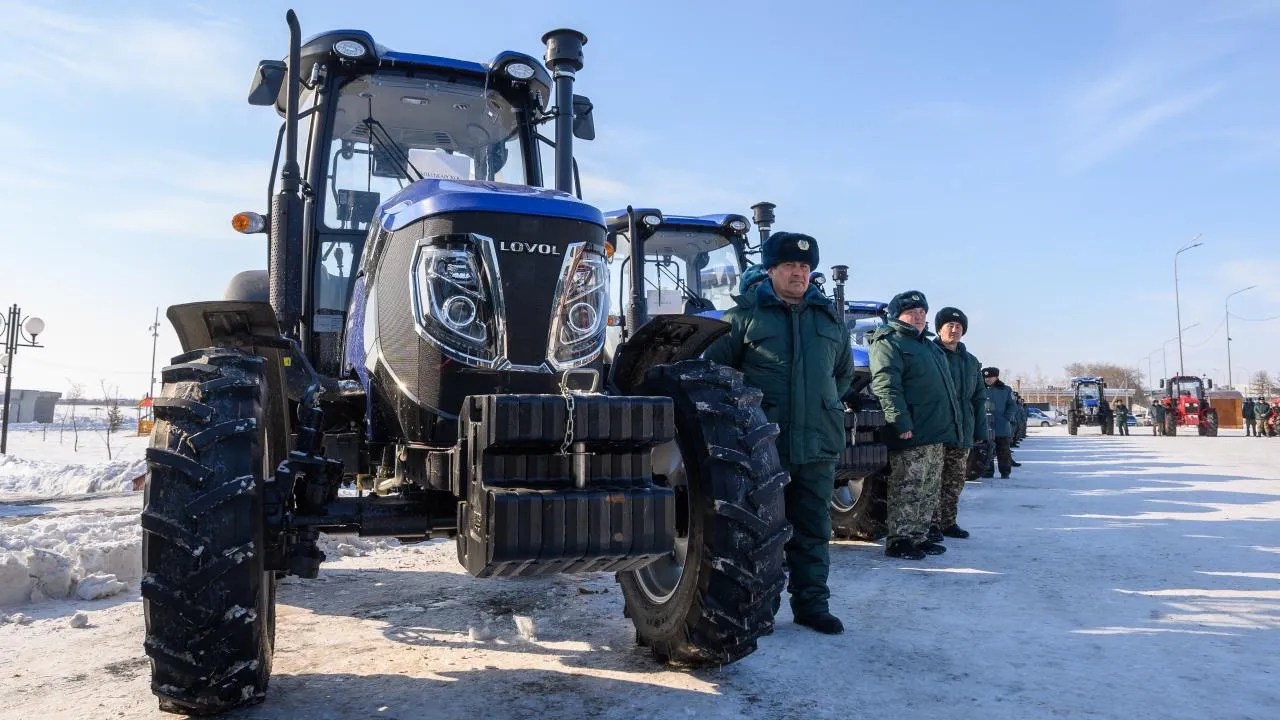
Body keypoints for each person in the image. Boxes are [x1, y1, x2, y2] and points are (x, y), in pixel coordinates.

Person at [704, 231, 852, 635]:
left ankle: (812, 605)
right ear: (771, 270)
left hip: (819, 442)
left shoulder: (829, 320)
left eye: (805, 267)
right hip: (761, 444)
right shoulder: (742, 317)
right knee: (760, 530)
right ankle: (759, 606)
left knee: (814, 526)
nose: (799, 274)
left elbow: (840, 376)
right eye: (790, 266)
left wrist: (823, 407)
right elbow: (716, 374)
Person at [868, 290, 961, 560]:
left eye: (922, 313)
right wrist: (899, 421)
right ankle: (899, 540)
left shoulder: (928, 346)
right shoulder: (890, 342)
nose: (919, 317)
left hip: (935, 428)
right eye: (912, 313)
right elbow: (887, 385)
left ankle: (918, 536)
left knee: (928, 487)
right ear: (898, 315)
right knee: (907, 486)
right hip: (913, 428)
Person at [928, 307, 986, 542]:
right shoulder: (930, 354)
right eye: (949, 326)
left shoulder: (971, 362)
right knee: (932, 479)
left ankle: (947, 522)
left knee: (954, 480)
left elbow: (979, 398)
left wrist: (980, 430)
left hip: (962, 431)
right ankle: (929, 524)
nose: (954, 330)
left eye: (959, 326)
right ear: (939, 329)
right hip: (936, 429)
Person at [982, 368, 1017, 478]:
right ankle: (987, 471)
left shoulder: (1005, 390)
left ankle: (1005, 472)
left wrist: (1007, 417)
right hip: (985, 425)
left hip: (1001, 425)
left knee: (1003, 450)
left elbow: (1012, 405)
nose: (987, 379)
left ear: (996, 377)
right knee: (986, 449)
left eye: (990, 377)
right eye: (986, 377)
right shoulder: (980, 389)